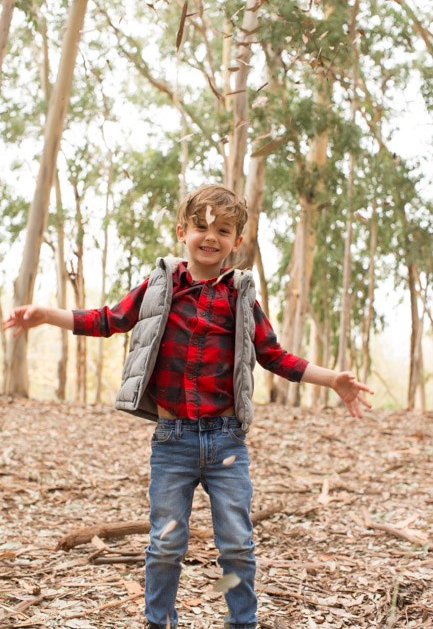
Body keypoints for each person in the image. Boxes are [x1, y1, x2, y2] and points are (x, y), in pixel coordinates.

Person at [3, 184, 373, 629]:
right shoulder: (159, 286)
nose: (210, 236)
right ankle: (159, 622)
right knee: (165, 545)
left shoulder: (240, 296)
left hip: (226, 443)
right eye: (201, 226)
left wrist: (332, 379)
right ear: (182, 231)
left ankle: (243, 622)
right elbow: (107, 320)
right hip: (172, 440)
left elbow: (274, 355)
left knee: (236, 544)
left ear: (237, 241)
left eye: (223, 229)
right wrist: (47, 315)